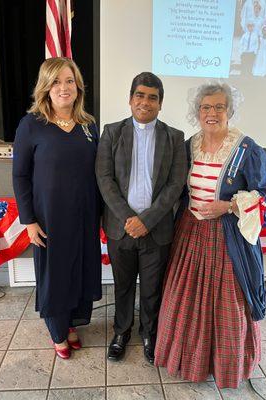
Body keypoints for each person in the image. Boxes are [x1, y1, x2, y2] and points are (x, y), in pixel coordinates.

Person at [154, 82, 266, 389]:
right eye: (206, 107)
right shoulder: (189, 145)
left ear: (229, 111)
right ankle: (186, 359)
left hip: (226, 237)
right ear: (197, 111)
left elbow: (265, 192)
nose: (212, 113)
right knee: (185, 298)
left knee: (228, 303)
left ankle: (225, 365)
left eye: (219, 107)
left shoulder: (246, 149)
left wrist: (230, 205)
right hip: (190, 232)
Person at [13, 57, 102, 359]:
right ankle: (57, 329)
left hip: (86, 216)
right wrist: (28, 220)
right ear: (45, 88)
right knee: (56, 274)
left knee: (80, 270)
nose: (63, 87)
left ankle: (71, 322)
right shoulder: (31, 125)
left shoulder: (89, 125)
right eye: (55, 82)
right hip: (49, 218)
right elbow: (20, 175)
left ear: (78, 85)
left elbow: (98, 173)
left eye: (68, 80)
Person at [95, 72, 187, 364]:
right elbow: (104, 178)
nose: (145, 102)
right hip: (119, 228)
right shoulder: (111, 132)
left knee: (151, 288)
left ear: (160, 104)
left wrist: (146, 219)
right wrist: (129, 218)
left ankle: (150, 333)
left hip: (156, 229)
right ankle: (121, 332)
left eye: (152, 97)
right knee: (122, 286)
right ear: (130, 98)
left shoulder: (175, 137)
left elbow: (176, 184)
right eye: (140, 95)